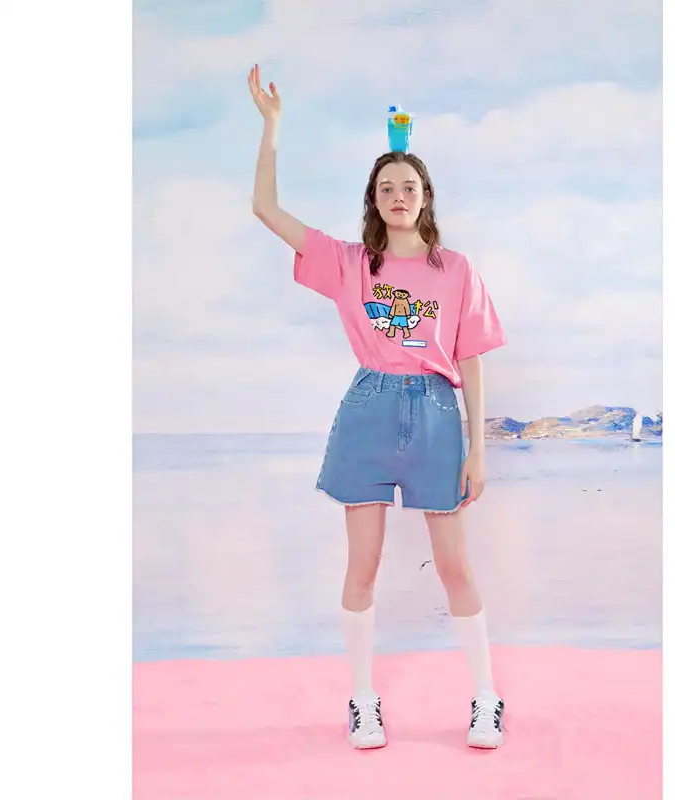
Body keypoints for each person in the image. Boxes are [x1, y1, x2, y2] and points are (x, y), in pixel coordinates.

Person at [247, 65, 508, 750]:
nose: (398, 196)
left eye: (409, 186)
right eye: (386, 187)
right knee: (360, 566)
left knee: (454, 565)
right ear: (374, 199)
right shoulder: (350, 264)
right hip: (367, 409)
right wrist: (272, 131)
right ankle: (362, 699)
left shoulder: (457, 271)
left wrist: (478, 448)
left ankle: (486, 697)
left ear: (425, 198)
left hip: (435, 415)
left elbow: (472, 356)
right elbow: (267, 213)